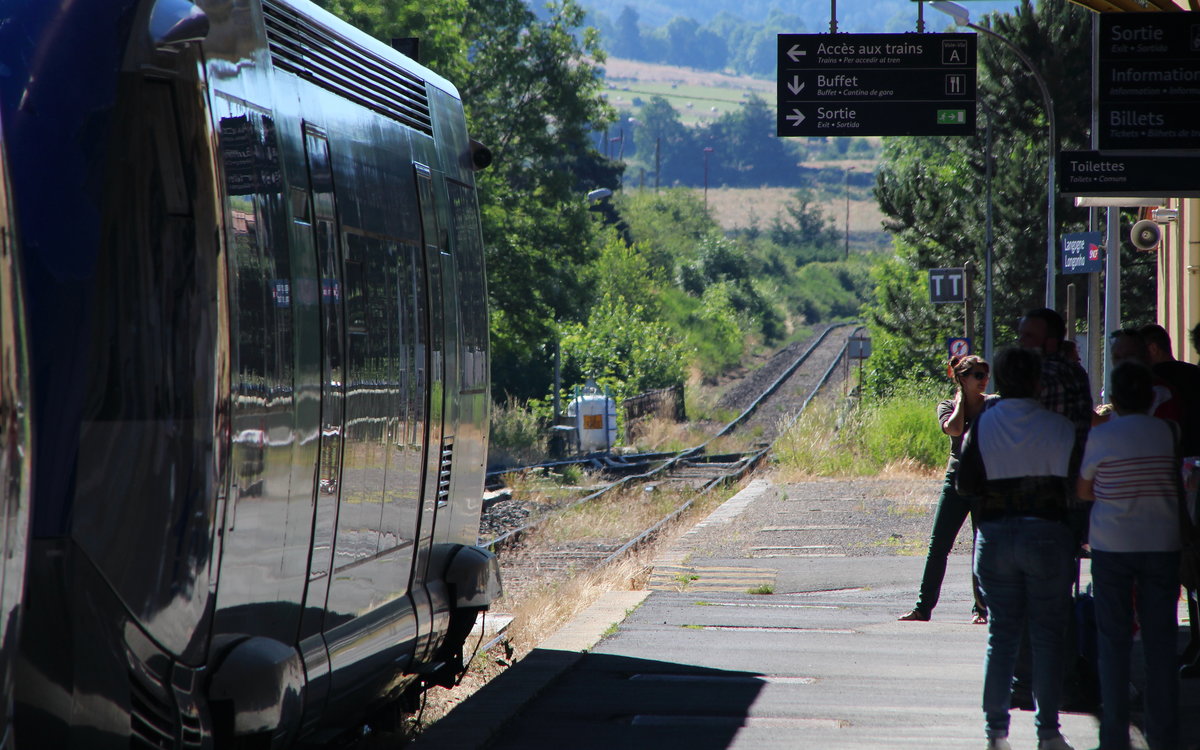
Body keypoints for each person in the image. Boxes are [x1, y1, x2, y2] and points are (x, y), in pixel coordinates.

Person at [957, 347, 1078, 750]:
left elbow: (964, 484)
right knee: (1047, 637)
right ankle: (1048, 732)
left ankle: (996, 733)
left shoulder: (983, 425)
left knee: (1002, 636)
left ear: (1000, 381)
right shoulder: (1060, 427)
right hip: (1046, 533)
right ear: (1038, 383)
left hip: (995, 536)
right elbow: (1076, 485)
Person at [1077, 360, 1180, 750]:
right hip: (1162, 542)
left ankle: (1114, 736)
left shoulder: (1101, 435)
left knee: (1113, 641)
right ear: (1151, 396)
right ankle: (1164, 736)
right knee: (1160, 642)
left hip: (1113, 545)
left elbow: (1084, 490)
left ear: (1115, 399)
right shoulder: (1168, 431)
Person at [899, 354, 994, 624]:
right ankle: (923, 608)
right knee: (938, 546)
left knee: (981, 546)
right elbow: (954, 429)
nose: (983, 380)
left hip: (985, 484)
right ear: (962, 379)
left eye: (985, 375)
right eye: (977, 375)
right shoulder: (947, 406)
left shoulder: (994, 404)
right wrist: (962, 401)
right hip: (955, 482)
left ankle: (981, 609)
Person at [1139, 322, 1200, 457]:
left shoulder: (1149, 381)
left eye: (1138, 352)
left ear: (1153, 348)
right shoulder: (1195, 372)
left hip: (1165, 455)